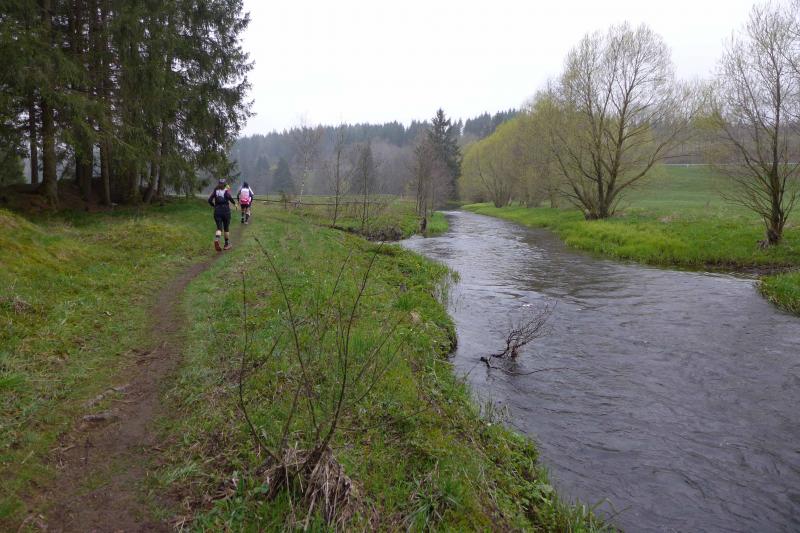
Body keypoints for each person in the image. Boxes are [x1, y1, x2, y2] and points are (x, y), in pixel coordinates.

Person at [207, 178, 237, 251]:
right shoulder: (226, 191)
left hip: (217, 211)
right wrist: (235, 204)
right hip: (226, 211)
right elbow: (230, 198)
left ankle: (217, 239)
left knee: (219, 228)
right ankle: (226, 245)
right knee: (226, 228)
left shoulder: (215, 191)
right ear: (225, 184)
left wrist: (214, 206)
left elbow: (209, 200)